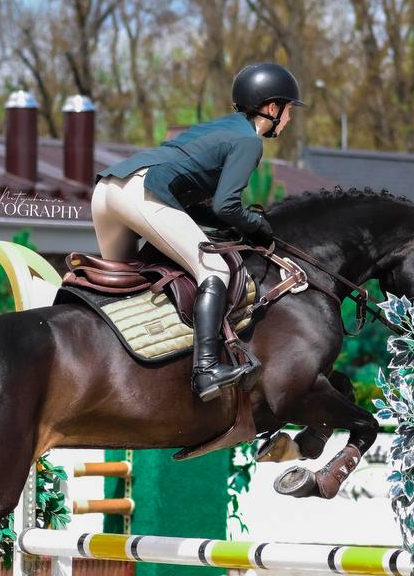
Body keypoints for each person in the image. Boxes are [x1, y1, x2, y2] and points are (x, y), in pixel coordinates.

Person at [91, 62, 305, 401]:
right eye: (289, 109)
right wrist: (259, 227)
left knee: (126, 285)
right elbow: (227, 207)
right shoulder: (249, 142)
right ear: (272, 107)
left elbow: (199, 207)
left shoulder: (217, 129)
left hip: (109, 189)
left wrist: (234, 223)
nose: (290, 119)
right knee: (215, 269)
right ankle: (206, 370)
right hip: (142, 192)